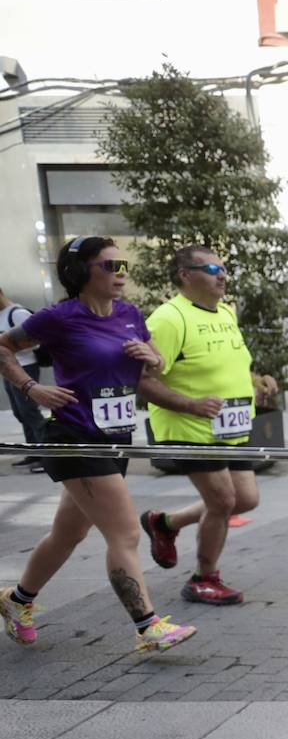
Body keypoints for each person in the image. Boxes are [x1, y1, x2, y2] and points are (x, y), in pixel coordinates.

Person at [0, 236, 196, 652]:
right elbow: (4, 347)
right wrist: (32, 388)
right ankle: (148, 626)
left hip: (115, 438)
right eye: (110, 265)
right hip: (75, 436)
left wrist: (153, 355)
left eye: (122, 264)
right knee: (125, 532)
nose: (120, 272)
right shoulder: (59, 317)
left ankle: (17, 601)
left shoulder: (128, 314)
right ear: (81, 272)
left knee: (67, 533)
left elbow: (154, 358)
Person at [136, 246, 274, 606]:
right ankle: (203, 578)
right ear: (185, 275)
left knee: (244, 499)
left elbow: (229, 364)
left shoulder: (226, 313)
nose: (222, 275)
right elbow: (141, 381)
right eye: (213, 268)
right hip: (189, 429)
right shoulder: (169, 319)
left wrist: (257, 382)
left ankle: (165, 523)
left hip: (231, 427)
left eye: (225, 268)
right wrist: (191, 405)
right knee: (222, 500)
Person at [0, 287, 45, 471]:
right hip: (8, 369)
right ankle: (32, 452)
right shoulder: (2, 315)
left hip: (26, 367)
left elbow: (37, 341)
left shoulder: (18, 313)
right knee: (20, 412)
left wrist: (11, 346)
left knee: (30, 411)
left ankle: (46, 455)